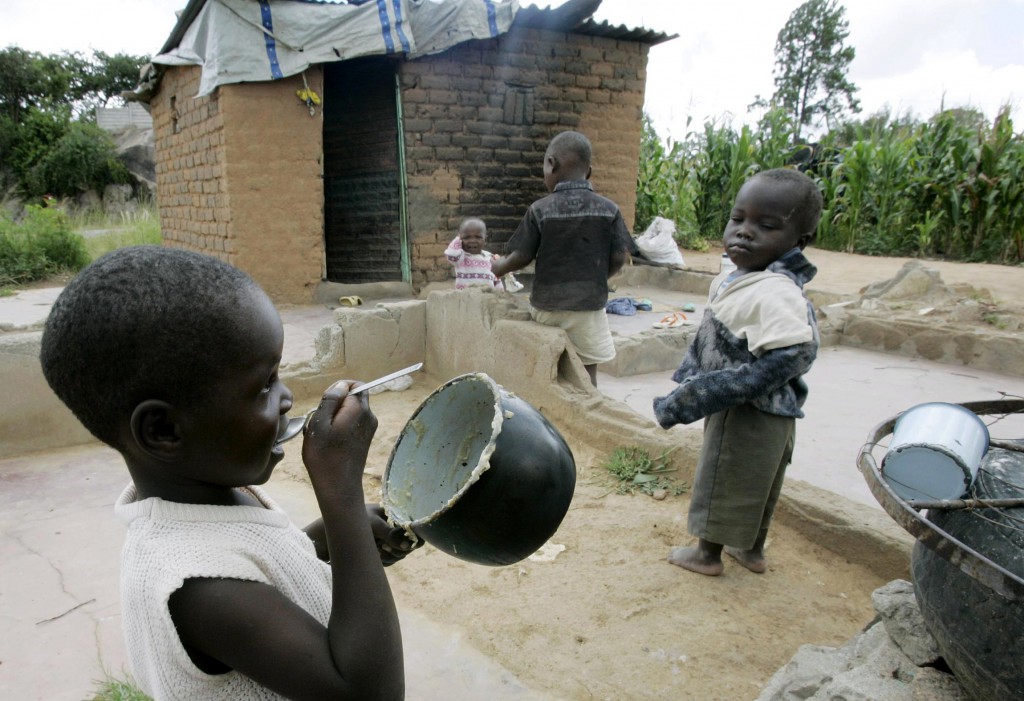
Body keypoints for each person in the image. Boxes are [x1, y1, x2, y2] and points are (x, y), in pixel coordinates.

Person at [39, 245, 419, 700]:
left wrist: (327, 540)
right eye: (262, 386)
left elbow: (253, 557)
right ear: (163, 430)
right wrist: (343, 498)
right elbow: (368, 693)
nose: (285, 397)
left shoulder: (201, 494)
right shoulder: (199, 587)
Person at [652, 168, 822, 577]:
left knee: (722, 477)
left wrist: (720, 388)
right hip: (775, 413)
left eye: (766, 226)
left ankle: (707, 555)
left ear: (799, 241)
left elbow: (796, 353)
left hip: (746, 410)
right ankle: (751, 550)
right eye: (738, 219)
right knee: (759, 481)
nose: (744, 232)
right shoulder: (750, 278)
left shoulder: (776, 291)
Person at [491, 130, 633, 386]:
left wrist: (498, 267)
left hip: (548, 308)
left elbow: (521, 257)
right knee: (587, 372)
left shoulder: (540, 210)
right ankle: (587, 412)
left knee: (550, 367)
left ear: (551, 164)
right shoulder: (609, 209)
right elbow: (619, 257)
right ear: (588, 171)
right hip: (589, 308)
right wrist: (597, 279)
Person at [445, 217, 505, 291]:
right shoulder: (460, 257)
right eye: (466, 237)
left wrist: (500, 292)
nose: (472, 241)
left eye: (478, 237)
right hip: (466, 298)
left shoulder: (490, 257)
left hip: (486, 298)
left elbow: (496, 279)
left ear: (485, 240)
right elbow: (451, 255)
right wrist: (458, 239)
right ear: (460, 239)